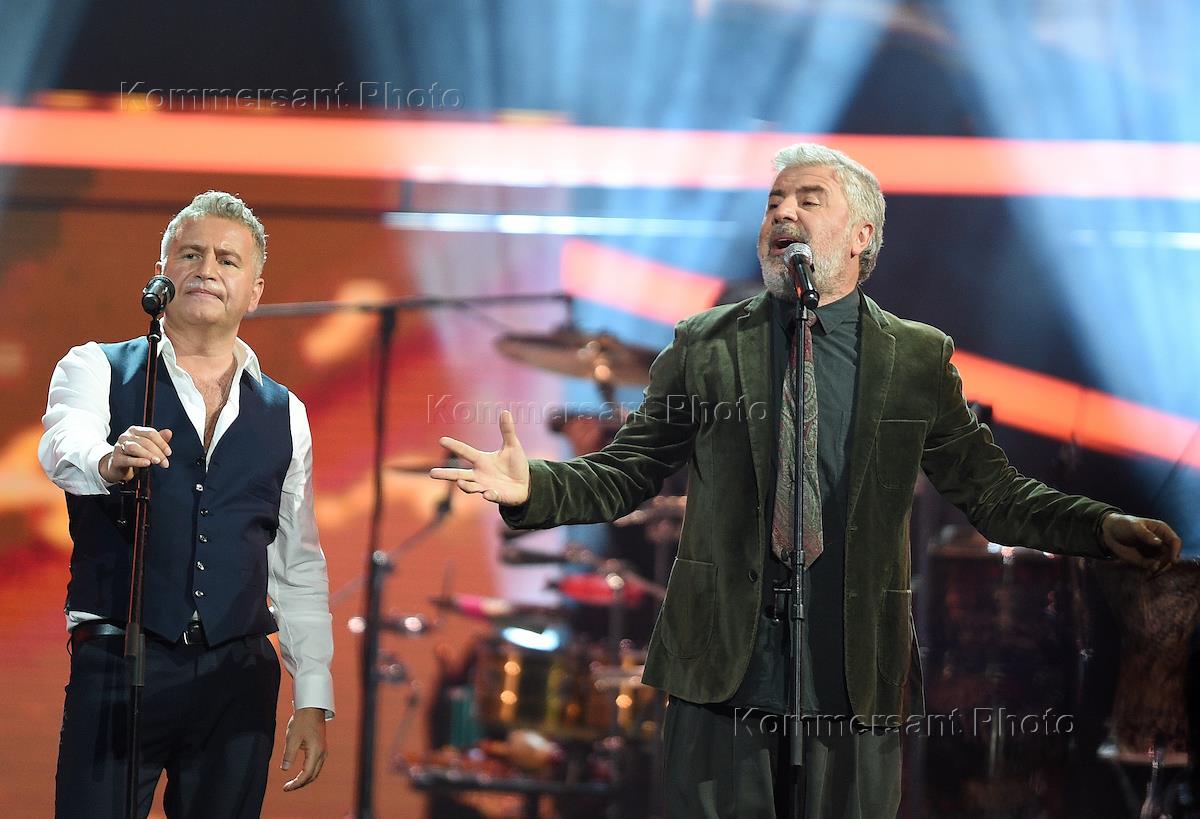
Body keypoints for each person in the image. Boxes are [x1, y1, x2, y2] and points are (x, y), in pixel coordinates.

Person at [429, 144, 1181, 818]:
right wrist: (535, 488)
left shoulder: (916, 359)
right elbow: (627, 471)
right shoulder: (706, 343)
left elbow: (995, 494)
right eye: (773, 202)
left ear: (861, 235)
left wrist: (1099, 526)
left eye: (807, 199)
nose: (782, 212)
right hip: (721, 679)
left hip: (853, 686)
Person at [39, 191, 334, 818]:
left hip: (238, 677)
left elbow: (297, 563)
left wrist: (312, 694)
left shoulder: (285, 411)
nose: (206, 270)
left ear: (255, 291)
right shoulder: (97, 367)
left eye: (228, 260)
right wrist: (109, 460)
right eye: (191, 254)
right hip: (119, 660)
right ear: (162, 272)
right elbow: (64, 445)